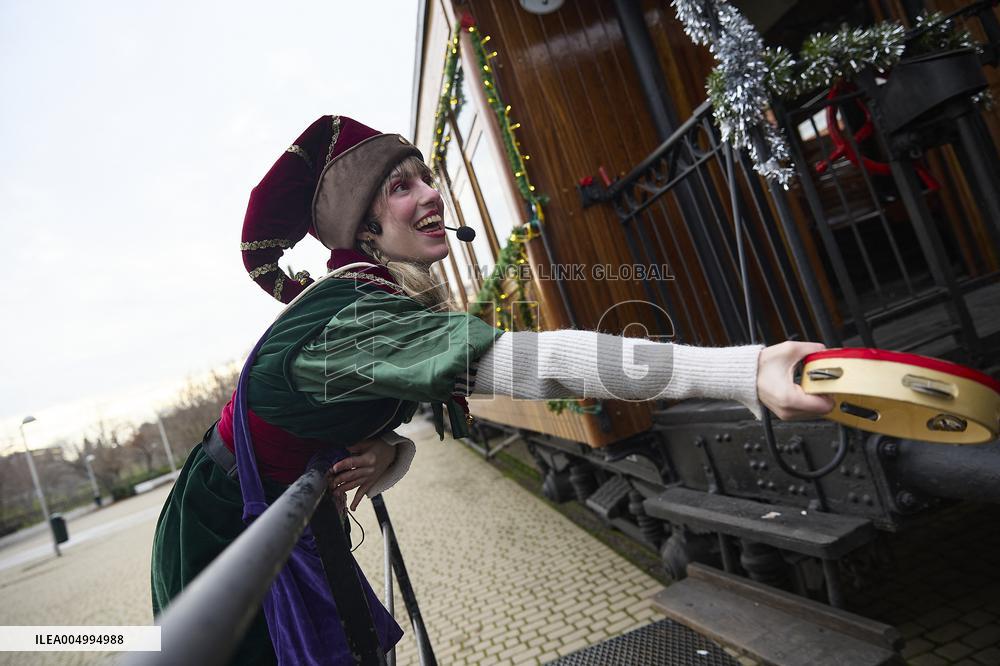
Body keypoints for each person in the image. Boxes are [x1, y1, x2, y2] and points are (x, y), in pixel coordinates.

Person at [150, 115, 833, 665]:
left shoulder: (373, 298)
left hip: (276, 514)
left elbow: (340, 414)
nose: (430, 195)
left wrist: (392, 454)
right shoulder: (354, 313)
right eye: (400, 188)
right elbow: (533, 363)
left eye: (426, 177)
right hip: (222, 535)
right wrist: (744, 372)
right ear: (365, 228)